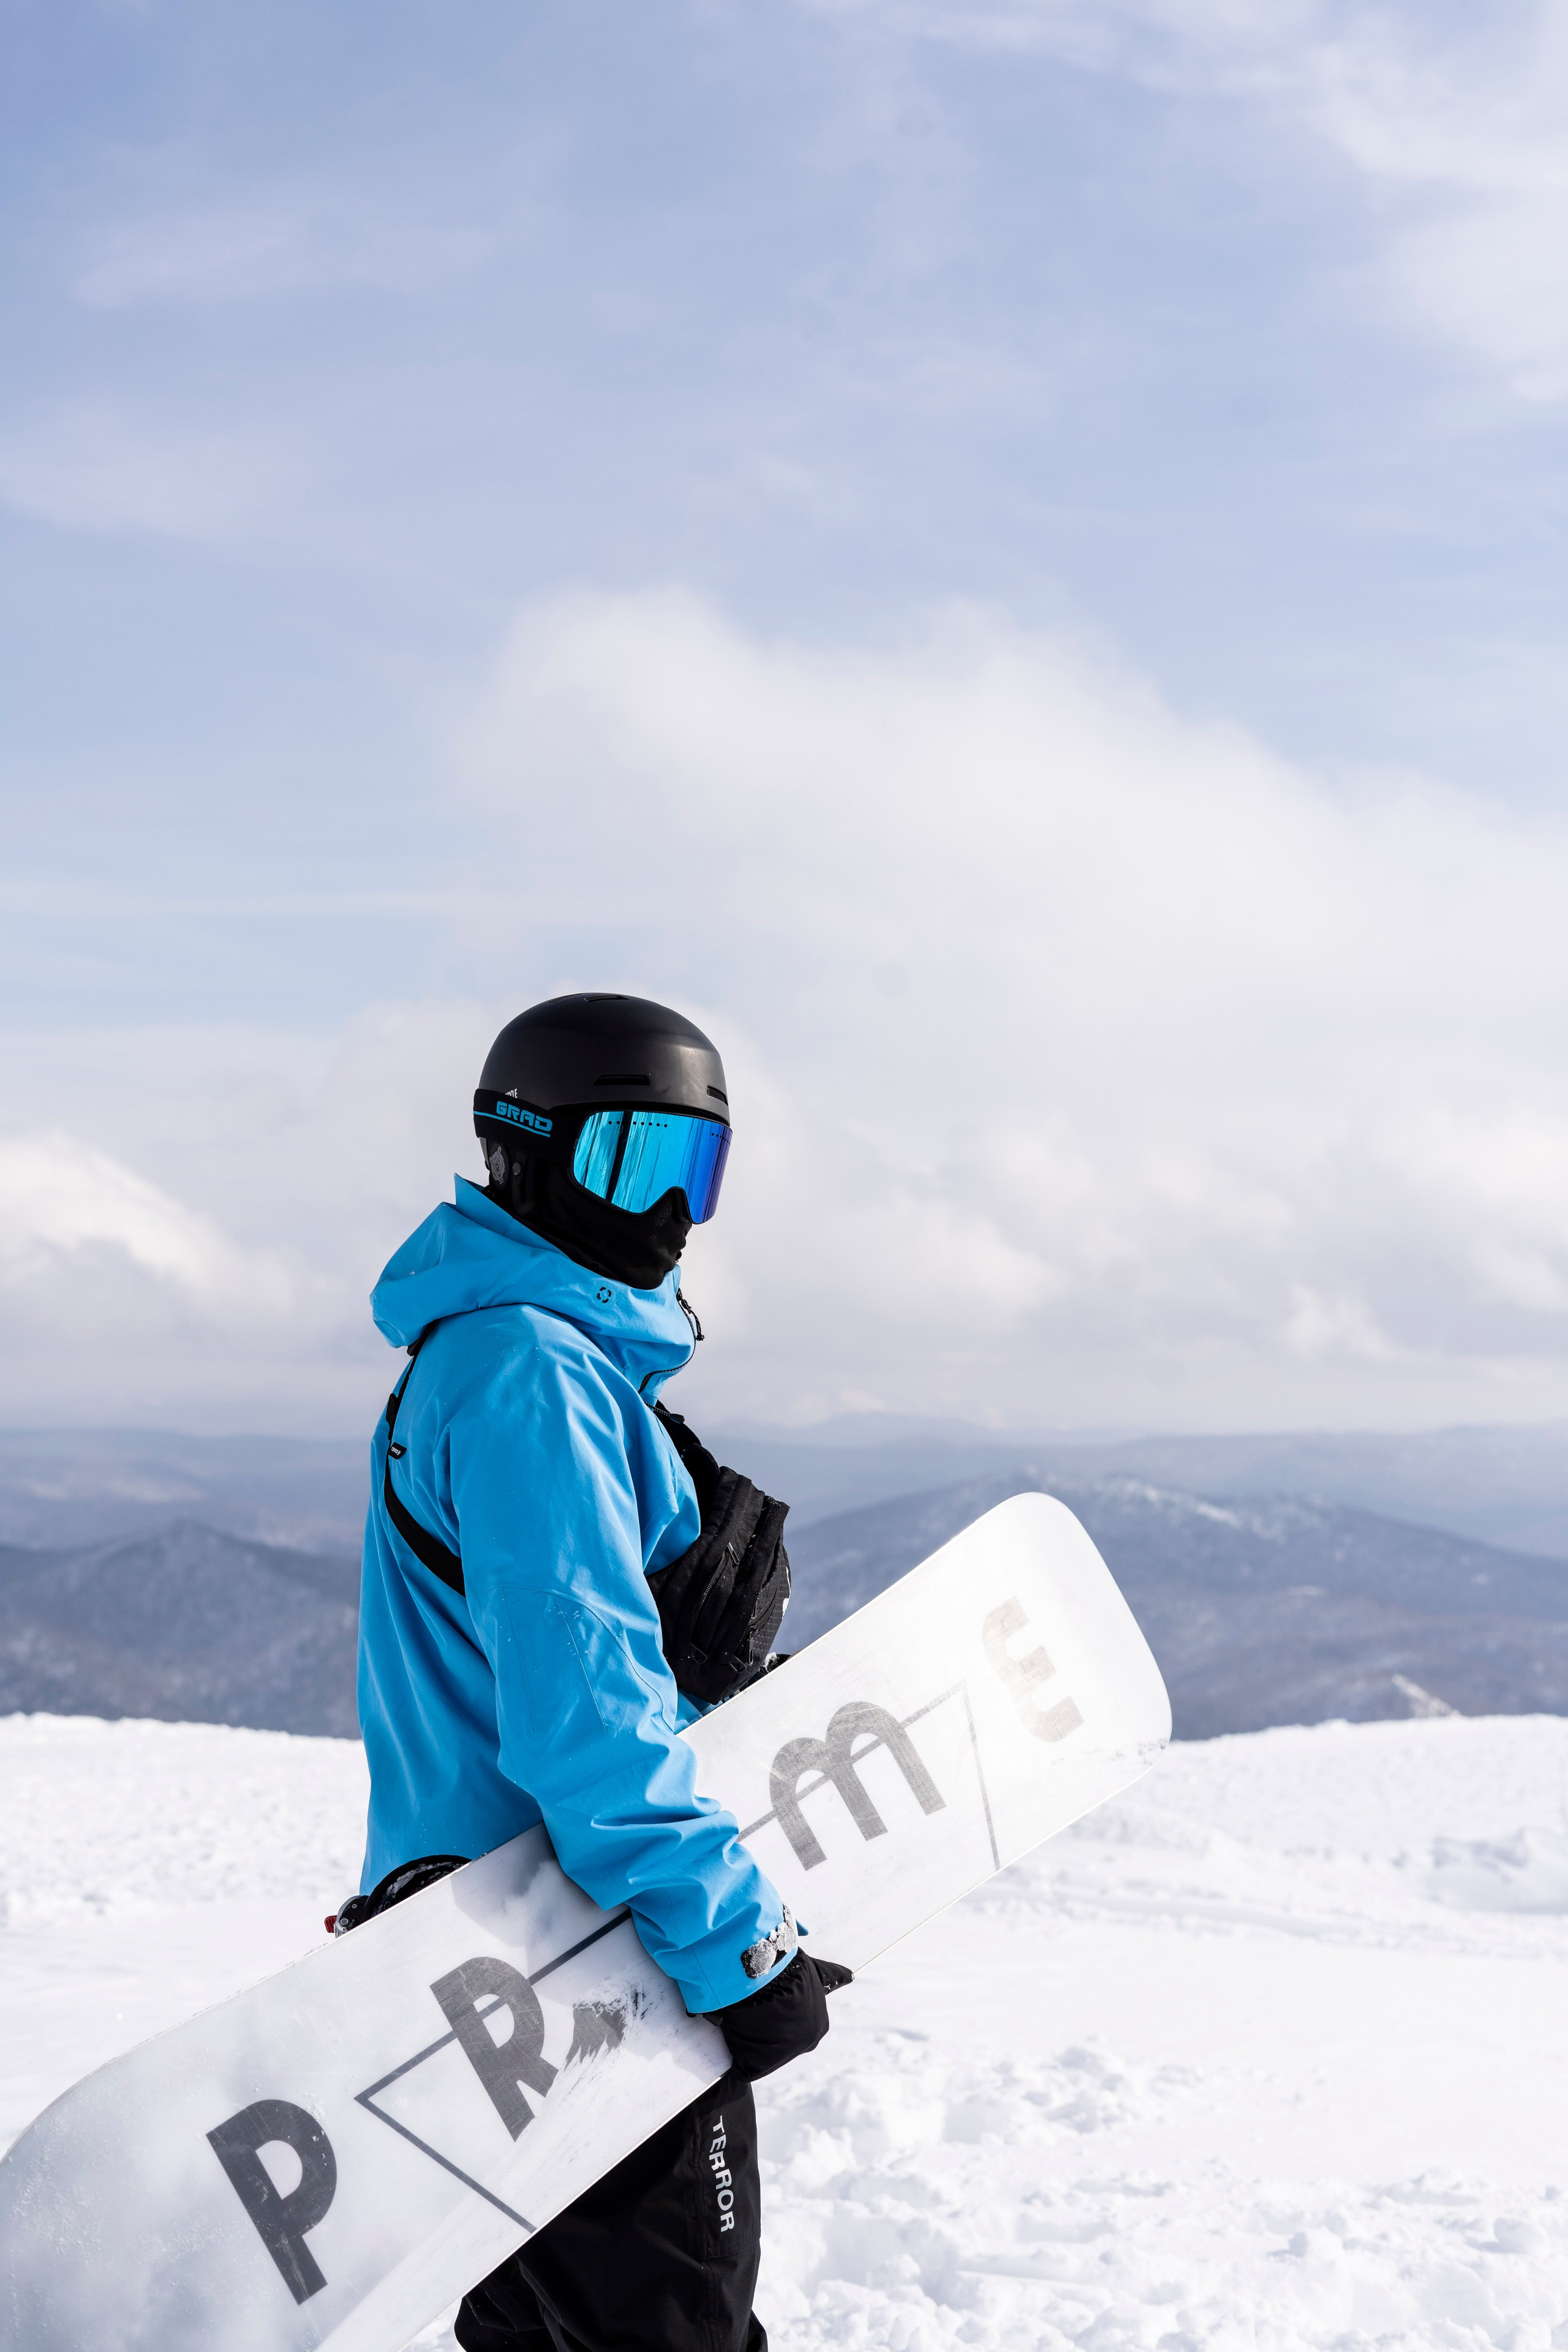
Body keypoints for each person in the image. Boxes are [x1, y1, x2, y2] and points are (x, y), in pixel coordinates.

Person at [349, 990, 850, 2352]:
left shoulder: (499, 1355)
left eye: (695, 1169)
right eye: (632, 1163)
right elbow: (586, 1729)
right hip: (581, 1955)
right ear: (524, 1150)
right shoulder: (531, 1374)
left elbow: (564, 1669)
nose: (673, 1213)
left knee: (540, 2334)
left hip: (481, 1938)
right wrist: (730, 1939)